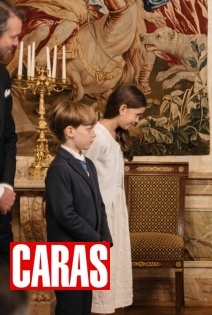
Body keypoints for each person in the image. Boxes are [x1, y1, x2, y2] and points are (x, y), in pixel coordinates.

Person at [45, 98, 112, 315]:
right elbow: (66, 215)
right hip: (67, 254)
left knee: (84, 306)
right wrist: (96, 239)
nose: (94, 135)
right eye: (90, 129)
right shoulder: (59, 168)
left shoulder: (88, 164)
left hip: (88, 250)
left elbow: (99, 205)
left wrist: (105, 238)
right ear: (70, 131)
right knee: (70, 307)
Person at [86, 84, 147, 314]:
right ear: (123, 108)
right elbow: (84, 175)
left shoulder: (113, 135)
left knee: (111, 266)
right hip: (101, 210)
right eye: (136, 114)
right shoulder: (97, 136)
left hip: (114, 208)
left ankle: (106, 307)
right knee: (100, 267)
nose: (137, 120)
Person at [0, 0, 22, 266]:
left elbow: (9, 138)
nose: (17, 44)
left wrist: (5, 186)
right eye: (13, 36)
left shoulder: (3, 76)